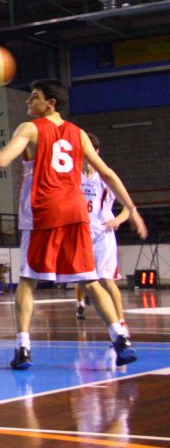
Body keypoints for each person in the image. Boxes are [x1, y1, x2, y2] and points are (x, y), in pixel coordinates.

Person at [0, 79, 147, 370]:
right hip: (75, 212)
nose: (28, 102)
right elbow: (107, 173)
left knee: (28, 280)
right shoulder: (79, 134)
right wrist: (131, 208)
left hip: (43, 212)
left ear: (51, 103)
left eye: (34, 97)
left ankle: (22, 348)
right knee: (90, 280)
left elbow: (4, 160)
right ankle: (120, 338)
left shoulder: (29, 129)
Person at [73, 133, 133, 333]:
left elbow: (128, 207)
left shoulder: (106, 176)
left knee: (107, 280)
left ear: (96, 152)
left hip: (101, 235)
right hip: (80, 234)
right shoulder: (72, 176)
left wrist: (117, 220)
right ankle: (82, 303)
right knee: (83, 280)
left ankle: (121, 325)